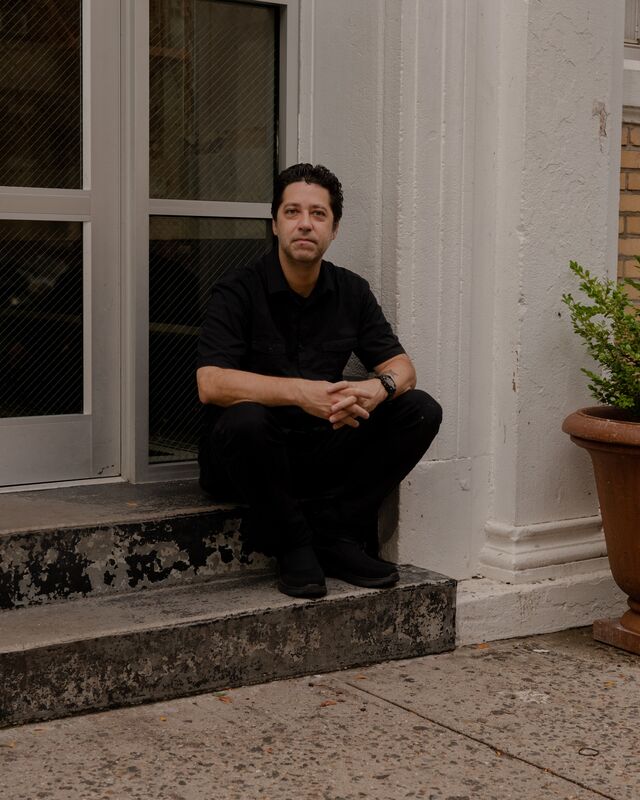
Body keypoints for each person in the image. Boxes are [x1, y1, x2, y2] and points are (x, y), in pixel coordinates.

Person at [197, 163, 442, 599]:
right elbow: (211, 383)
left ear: (334, 229)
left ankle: (337, 533)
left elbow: (402, 368)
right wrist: (300, 393)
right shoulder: (237, 290)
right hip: (249, 458)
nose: (305, 223)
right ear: (275, 224)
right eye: (292, 212)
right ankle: (294, 544)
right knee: (245, 420)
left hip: (320, 451)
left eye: (318, 214)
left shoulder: (351, 291)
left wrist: (376, 388)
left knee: (419, 408)